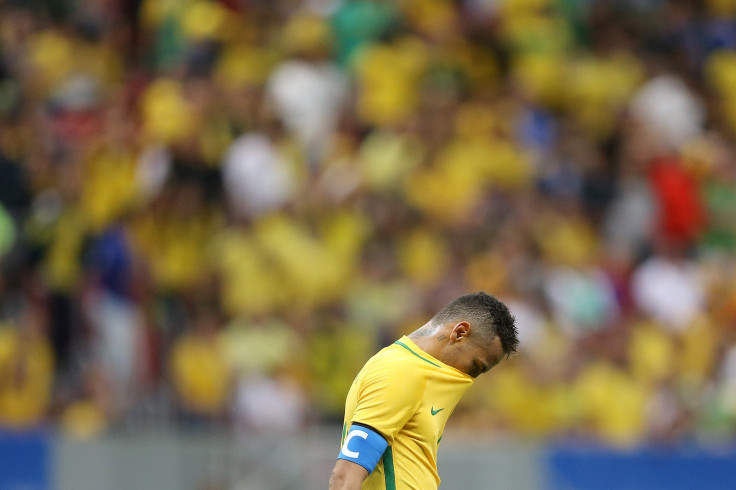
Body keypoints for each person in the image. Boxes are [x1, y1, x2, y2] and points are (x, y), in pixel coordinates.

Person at [328, 292, 519, 490]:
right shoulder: (400, 371)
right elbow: (344, 477)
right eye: (476, 367)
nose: (470, 379)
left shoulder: (419, 373)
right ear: (460, 333)